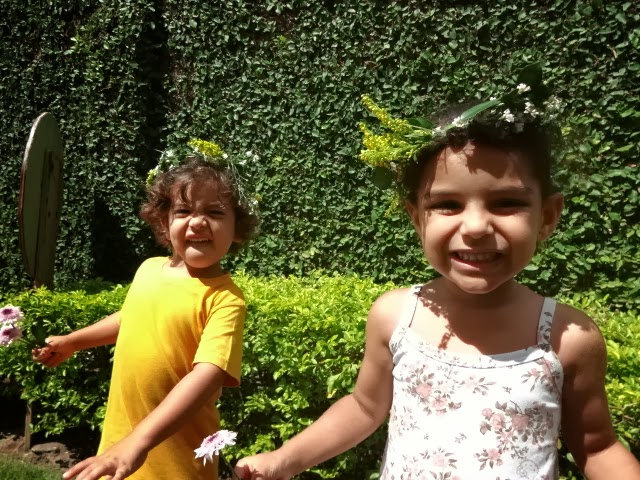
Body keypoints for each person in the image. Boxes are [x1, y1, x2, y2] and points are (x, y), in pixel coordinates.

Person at [234, 71, 640, 479]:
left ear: (547, 216)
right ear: (417, 218)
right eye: (447, 204)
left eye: (506, 203)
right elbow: (363, 407)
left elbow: (597, 446)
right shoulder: (395, 317)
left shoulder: (567, 339)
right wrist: (283, 460)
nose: (476, 226)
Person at [33, 142, 259, 480]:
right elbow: (131, 318)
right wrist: (74, 341)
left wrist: (138, 441)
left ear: (237, 229)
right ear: (164, 223)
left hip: (177, 465)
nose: (198, 222)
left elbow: (208, 374)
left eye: (214, 213)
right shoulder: (149, 269)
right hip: (119, 448)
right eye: (184, 211)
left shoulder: (225, 299)